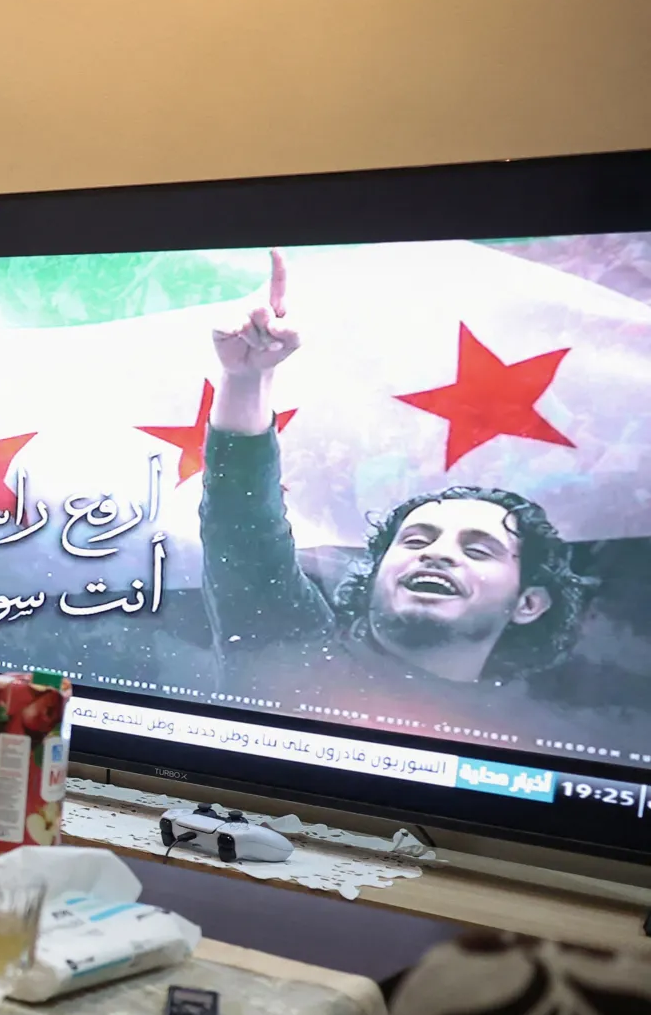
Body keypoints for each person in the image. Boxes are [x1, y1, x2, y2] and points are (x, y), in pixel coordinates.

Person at [200, 251, 591, 705]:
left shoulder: (551, 735)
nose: (437, 555)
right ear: (375, 573)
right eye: (415, 541)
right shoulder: (285, 647)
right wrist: (247, 379)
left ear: (529, 603)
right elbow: (241, 518)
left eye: (479, 549)